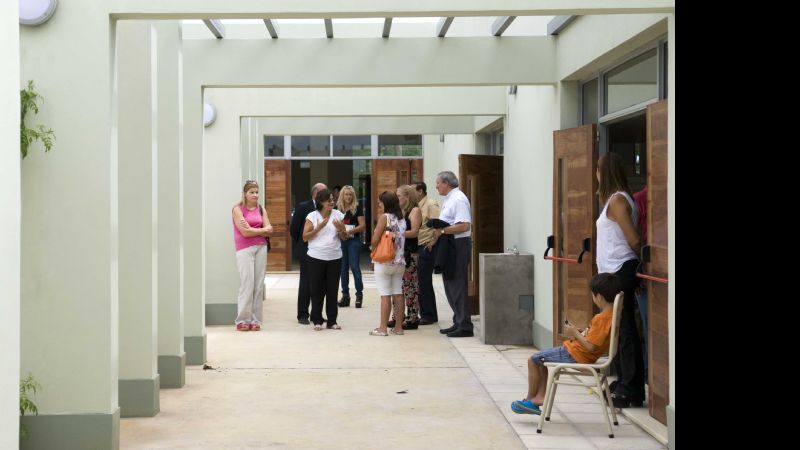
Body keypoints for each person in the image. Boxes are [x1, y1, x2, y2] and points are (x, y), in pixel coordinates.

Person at [510, 273, 622, 415]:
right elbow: (594, 339)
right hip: (578, 353)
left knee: (533, 360)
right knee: (540, 360)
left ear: (599, 297)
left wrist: (574, 333)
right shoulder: (610, 316)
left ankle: (529, 400)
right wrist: (581, 332)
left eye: (593, 295)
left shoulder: (601, 318)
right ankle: (539, 397)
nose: (593, 298)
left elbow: (591, 346)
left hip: (575, 354)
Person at [596, 152, 645, 408]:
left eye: (597, 169)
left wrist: (644, 262)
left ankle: (630, 389)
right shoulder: (615, 200)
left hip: (622, 269)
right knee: (620, 329)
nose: (595, 174)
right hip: (614, 271)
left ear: (604, 173)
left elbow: (634, 239)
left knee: (625, 330)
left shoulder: (617, 201)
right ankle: (625, 381)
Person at [430, 171, 474, 338]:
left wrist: (442, 231)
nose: (436, 186)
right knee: (449, 284)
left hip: (458, 245)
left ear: (446, 183)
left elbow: (464, 226)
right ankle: (458, 321)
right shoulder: (449, 199)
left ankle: (465, 326)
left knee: (457, 285)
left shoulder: (458, 199)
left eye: (438, 183)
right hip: (449, 244)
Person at [302, 189, 347, 331]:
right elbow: (305, 237)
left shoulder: (338, 215)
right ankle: (317, 320)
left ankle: (332, 321)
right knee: (316, 290)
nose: (332, 202)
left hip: (335, 257)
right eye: (329, 200)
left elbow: (344, 237)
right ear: (321, 202)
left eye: (333, 199)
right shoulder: (312, 216)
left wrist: (341, 229)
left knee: (332, 290)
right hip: (316, 257)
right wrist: (319, 227)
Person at [231, 180, 273, 331]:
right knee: (247, 284)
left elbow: (270, 229)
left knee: (258, 285)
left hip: (261, 248)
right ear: (245, 194)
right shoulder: (237, 209)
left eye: (256, 192)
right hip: (244, 249)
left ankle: (256, 320)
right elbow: (245, 232)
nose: (255, 195)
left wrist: (254, 230)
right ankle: (242, 320)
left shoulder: (261, 209)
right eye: (252, 192)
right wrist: (262, 230)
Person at [369, 191, 406, 336]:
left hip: (384, 261)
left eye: (380, 202)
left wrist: (372, 249)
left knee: (385, 295)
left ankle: (383, 328)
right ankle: (399, 328)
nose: (379, 204)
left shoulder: (385, 217)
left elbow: (375, 239)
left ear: (386, 203)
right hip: (399, 261)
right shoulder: (402, 218)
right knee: (398, 294)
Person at [290, 182, 327, 325]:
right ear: (315, 193)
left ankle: (316, 314)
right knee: (306, 283)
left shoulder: (327, 208)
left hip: (322, 251)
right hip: (306, 250)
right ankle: (303, 314)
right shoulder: (303, 207)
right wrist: (302, 244)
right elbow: (294, 229)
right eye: (324, 192)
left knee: (319, 284)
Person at [415, 181, 440, 325]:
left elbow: (438, 225)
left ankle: (428, 315)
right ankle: (428, 313)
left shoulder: (430, 204)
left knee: (424, 282)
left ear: (420, 191)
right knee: (421, 281)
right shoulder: (417, 206)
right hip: (418, 246)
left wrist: (433, 241)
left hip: (426, 247)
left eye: (413, 191)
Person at [397, 184, 422, 329]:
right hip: (399, 253)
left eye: (399, 196)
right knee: (398, 286)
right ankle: (398, 316)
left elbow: (414, 232)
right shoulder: (400, 211)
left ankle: (413, 318)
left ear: (407, 196)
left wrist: (396, 234)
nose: (397, 198)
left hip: (410, 253)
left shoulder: (415, 210)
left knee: (411, 286)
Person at [336, 185, 366, 308]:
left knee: (354, 267)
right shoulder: (337, 209)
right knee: (343, 269)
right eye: (346, 194)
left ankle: (359, 295)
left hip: (353, 241)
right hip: (341, 241)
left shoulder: (356, 208)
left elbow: (362, 225)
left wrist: (348, 232)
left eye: (350, 194)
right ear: (342, 195)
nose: (348, 197)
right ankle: (345, 296)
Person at [632, 185, 649, 381]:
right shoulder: (639, 200)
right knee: (648, 326)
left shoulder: (638, 199)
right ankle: (647, 373)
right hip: (645, 270)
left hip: (650, 269)